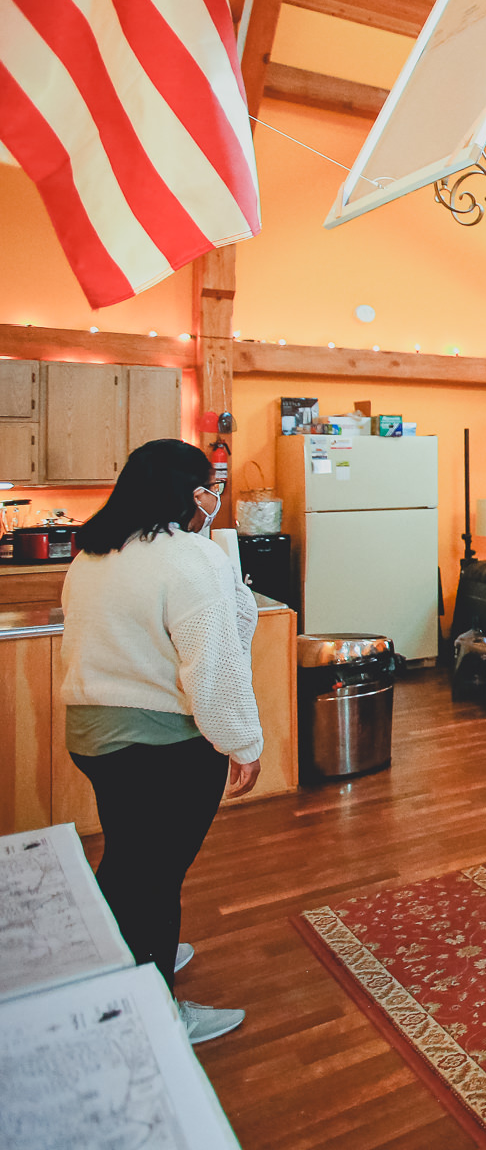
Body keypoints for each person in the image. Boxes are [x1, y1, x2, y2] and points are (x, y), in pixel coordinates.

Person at [60, 439, 262, 1044]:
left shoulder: (93, 552)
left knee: (128, 856)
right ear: (188, 492)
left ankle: (123, 959)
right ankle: (155, 1012)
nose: (213, 498)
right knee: (156, 877)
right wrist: (242, 742)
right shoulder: (189, 559)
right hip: (161, 747)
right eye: (208, 487)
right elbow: (213, 666)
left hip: (93, 735)